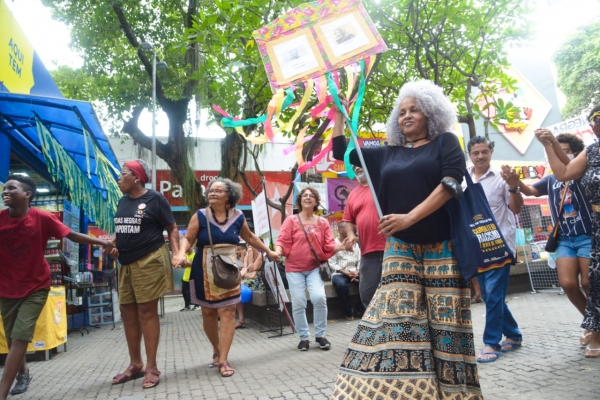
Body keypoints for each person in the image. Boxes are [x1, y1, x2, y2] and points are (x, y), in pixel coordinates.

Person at [330, 80, 482, 399]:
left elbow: (451, 183)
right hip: (400, 248)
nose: (407, 115)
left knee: (447, 326)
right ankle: (413, 392)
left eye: (414, 110)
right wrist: (338, 112)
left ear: (430, 114)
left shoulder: (446, 142)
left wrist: (409, 217)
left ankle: (456, 393)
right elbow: (340, 150)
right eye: (401, 112)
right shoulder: (388, 153)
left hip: (443, 247)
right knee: (401, 323)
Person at [0, 174, 115, 399]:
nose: (6, 192)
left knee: (21, 336)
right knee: (14, 336)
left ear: (27, 195)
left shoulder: (42, 218)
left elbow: (71, 234)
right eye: (5, 188)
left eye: (12, 188)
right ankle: (23, 372)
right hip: (5, 287)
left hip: (36, 286)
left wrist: (103, 242)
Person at [172, 178, 280, 377]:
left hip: (229, 270)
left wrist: (268, 252)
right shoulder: (200, 215)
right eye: (211, 190)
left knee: (228, 311)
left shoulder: (238, 216)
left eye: (218, 191)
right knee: (208, 314)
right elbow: (188, 238)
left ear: (229, 196)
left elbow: (251, 238)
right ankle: (216, 348)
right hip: (202, 269)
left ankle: (223, 359)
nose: (212, 193)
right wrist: (180, 253)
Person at [535, 106, 600, 357]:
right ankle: (595, 329)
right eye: (595, 119)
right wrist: (549, 143)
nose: (597, 123)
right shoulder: (592, 152)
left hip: (586, 231)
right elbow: (562, 172)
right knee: (591, 284)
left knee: (589, 282)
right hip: (596, 225)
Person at [518, 133, 593, 346]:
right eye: (555, 148)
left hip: (587, 235)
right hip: (565, 240)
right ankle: (590, 321)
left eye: (565, 149)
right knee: (568, 283)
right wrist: (515, 183)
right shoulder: (550, 179)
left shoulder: (582, 172)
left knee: (589, 283)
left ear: (576, 154)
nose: (559, 152)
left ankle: (593, 326)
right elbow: (531, 191)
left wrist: (550, 144)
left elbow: (568, 167)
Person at [111, 159, 179, 389]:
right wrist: (112, 243)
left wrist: (177, 253)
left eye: (123, 174)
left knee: (146, 311)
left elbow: (172, 227)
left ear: (137, 177)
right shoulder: (122, 200)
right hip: (125, 263)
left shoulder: (155, 199)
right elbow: (121, 230)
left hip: (149, 259)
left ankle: (152, 366)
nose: (119, 178)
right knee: (127, 312)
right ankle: (135, 364)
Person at [466, 136, 524, 362]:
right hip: (476, 247)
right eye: (475, 152)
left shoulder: (501, 178)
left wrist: (514, 187)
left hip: (500, 246)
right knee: (491, 294)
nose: (480, 155)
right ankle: (514, 334)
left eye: (484, 151)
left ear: (490, 152)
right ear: (470, 155)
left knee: (492, 294)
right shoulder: (464, 178)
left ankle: (491, 343)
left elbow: (516, 209)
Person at [275, 187, 345, 351]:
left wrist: (342, 247)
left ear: (316, 201)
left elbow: (329, 245)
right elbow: (282, 242)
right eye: (304, 195)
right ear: (300, 200)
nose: (307, 197)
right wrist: (276, 253)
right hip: (294, 269)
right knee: (298, 302)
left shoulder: (323, 222)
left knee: (319, 297)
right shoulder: (291, 220)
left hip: (315, 268)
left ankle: (320, 335)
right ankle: (304, 338)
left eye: (311, 195)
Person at [342, 165, 386, 308]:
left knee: (395, 293)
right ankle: (376, 328)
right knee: (367, 295)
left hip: (391, 248)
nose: (357, 168)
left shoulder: (382, 185)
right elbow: (348, 220)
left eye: (360, 163)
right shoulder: (353, 194)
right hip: (368, 252)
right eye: (354, 166)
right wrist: (350, 235)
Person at [329, 221, 364, 320]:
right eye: (348, 229)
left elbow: (360, 259)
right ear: (340, 230)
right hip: (339, 273)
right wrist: (347, 274)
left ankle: (360, 310)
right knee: (341, 286)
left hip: (355, 271)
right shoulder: (333, 244)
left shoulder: (355, 243)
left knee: (368, 283)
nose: (351, 231)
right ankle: (348, 312)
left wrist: (357, 271)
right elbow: (332, 263)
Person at [235, 245, 265, 329]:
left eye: (251, 245)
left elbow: (252, 269)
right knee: (237, 288)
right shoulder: (247, 256)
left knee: (240, 286)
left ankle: (241, 320)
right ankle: (241, 320)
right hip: (248, 280)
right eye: (248, 245)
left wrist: (250, 255)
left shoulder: (260, 255)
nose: (249, 247)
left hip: (258, 282)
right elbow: (244, 270)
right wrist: (245, 255)